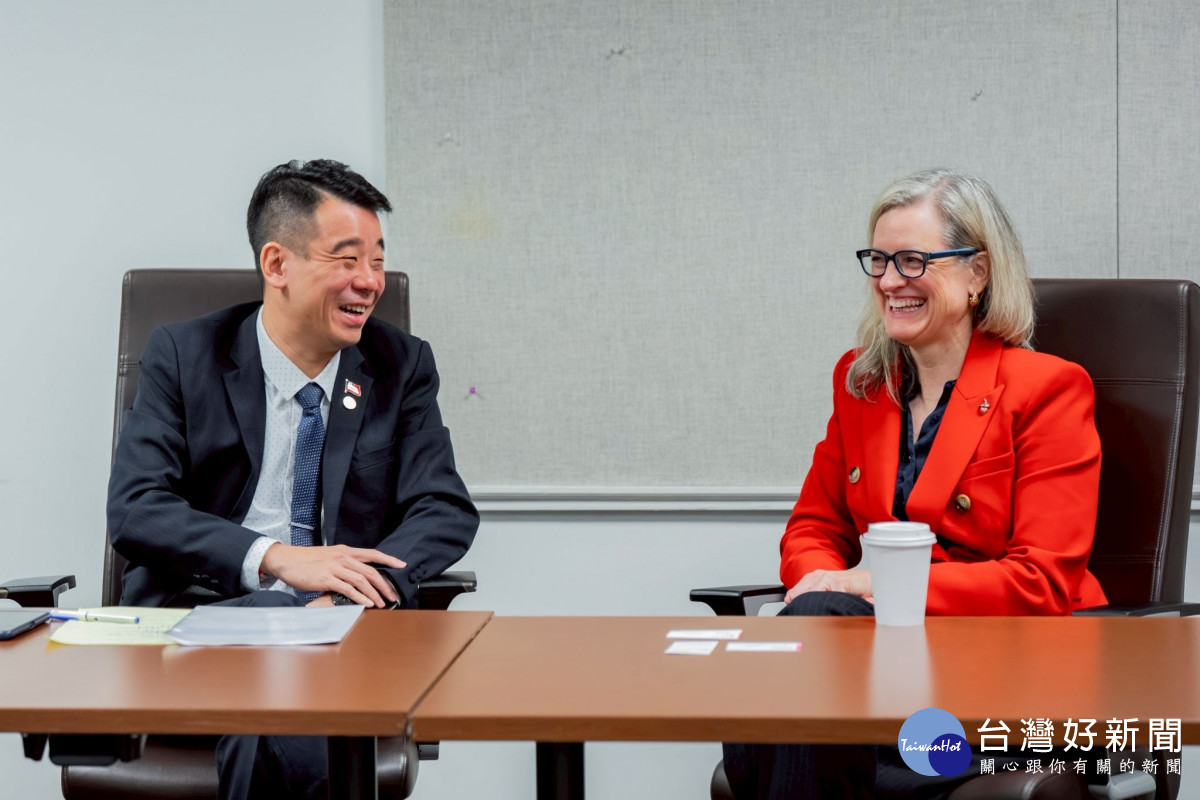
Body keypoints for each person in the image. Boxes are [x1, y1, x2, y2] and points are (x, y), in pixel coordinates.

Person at [723, 168, 1105, 799]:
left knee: (792, 703)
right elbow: (814, 527)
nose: (888, 281)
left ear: (978, 272)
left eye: (912, 260)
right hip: (884, 677)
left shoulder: (1047, 388)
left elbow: (1040, 582)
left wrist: (872, 586)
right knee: (793, 662)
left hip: (1001, 681)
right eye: (878, 261)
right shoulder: (861, 384)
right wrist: (821, 582)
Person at [107, 158, 479, 799]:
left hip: (344, 631)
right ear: (277, 264)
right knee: (278, 661)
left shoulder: (400, 365)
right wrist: (278, 561)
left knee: (273, 686)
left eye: (378, 261)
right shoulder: (184, 355)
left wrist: (350, 597)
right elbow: (137, 508)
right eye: (347, 259)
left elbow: (442, 508)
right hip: (199, 628)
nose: (370, 282)